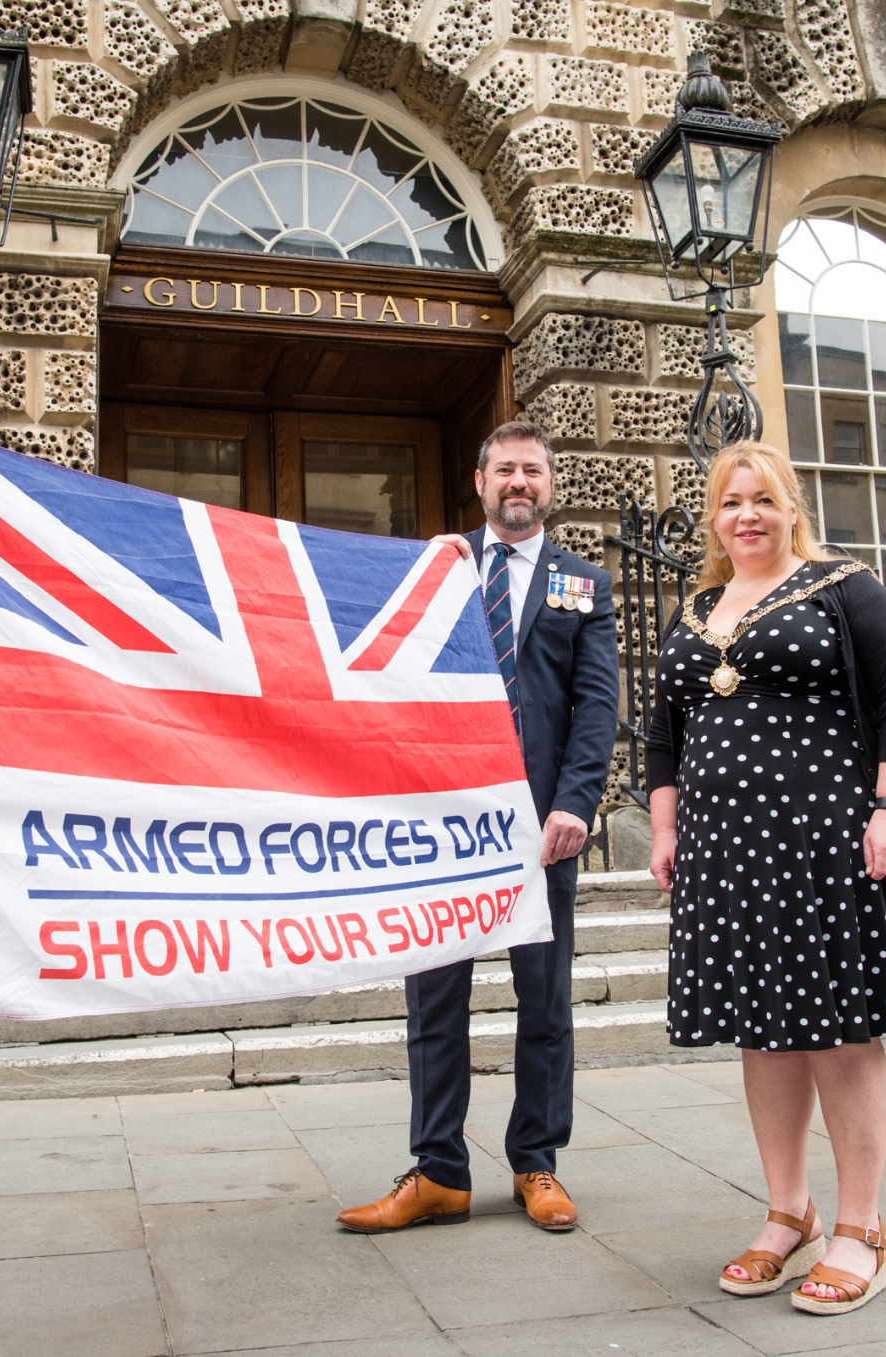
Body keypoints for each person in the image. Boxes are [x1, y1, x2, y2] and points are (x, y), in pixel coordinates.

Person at [644, 441, 886, 1314]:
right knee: (762, 1030)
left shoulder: (844, 587)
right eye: (731, 502)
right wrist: (665, 827)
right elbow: (665, 728)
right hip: (725, 853)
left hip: (825, 845)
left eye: (762, 500)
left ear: (790, 505)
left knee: (840, 1030)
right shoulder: (695, 608)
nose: (747, 516)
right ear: (714, 514)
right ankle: (788, 1210)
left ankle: (861, 1225)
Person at [337, 419, 617, 1234]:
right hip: (444, 826)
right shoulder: (437, 568)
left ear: (550, 485)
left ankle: (537, 1161)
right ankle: (438, 1171)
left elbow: (597, 704)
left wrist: (576, 800)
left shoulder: (584, 584)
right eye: (506, 470)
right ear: (480, 479)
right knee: (432, 999)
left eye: (533, 470)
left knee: (544, 1000)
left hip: (541, 828)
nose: (519, 482)